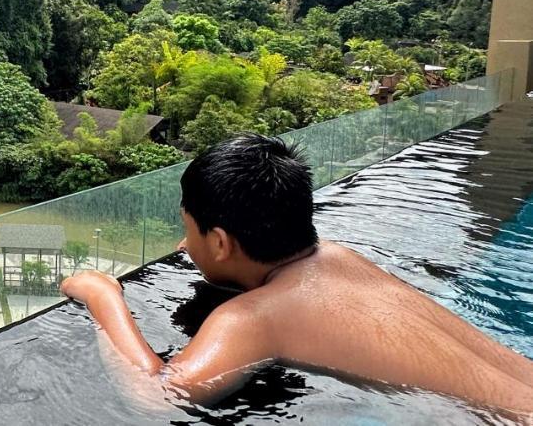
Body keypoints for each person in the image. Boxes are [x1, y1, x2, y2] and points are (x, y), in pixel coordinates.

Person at [60, 133, 533, 417]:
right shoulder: (341, 256)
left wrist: (104, 297)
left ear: (222, 243)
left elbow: (158, 396)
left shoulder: (254, 319)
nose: (183, 244)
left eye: (188, 230)